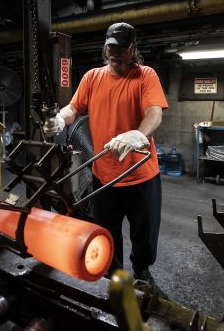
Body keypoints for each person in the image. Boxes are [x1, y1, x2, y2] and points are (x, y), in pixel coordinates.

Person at [43, 22, 168, 297]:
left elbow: (154, 112)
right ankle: (116, 280)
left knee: (144, 236)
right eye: (111, 48)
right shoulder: (92, 77)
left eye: (121, 49)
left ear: (132, 49)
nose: (115, 54)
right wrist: (59, 120)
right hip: (104, 178)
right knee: (107, 234)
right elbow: (74, 108)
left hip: (141, 176)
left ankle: (142, 272)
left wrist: (139, 133)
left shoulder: (145, 76)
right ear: (105, 48)